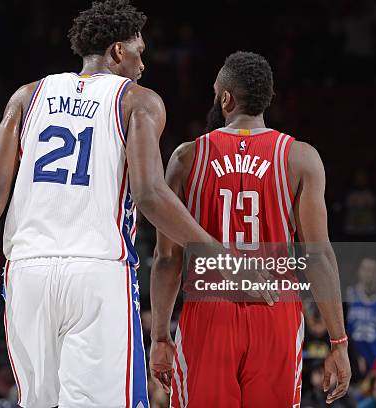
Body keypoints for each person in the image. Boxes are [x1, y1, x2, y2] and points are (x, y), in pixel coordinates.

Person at [0, 1, 221, 407]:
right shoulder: (138, 101)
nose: (143, 63)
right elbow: (150, 194)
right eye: (140, 51)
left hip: (27, 273)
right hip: (96, 271)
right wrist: (216, 252)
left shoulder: (27, 96)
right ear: (119, 51)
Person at [148, 52, 351, 407]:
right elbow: (319, 256)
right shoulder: (300, 157)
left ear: (225, 98)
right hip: (275, 311)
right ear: (266, 100)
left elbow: (167, 258)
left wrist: (161, 336)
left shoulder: (186, 157)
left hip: (209, 310)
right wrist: (338, 342)